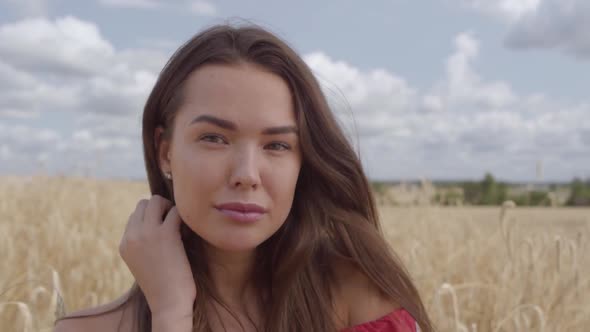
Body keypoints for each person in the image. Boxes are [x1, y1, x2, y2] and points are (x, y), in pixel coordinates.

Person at [53, 22, 434, 332]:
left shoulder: (360, 302)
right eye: (214, 138)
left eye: (277, 145)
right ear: (165, 150)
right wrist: (170, 314)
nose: (246, 175)